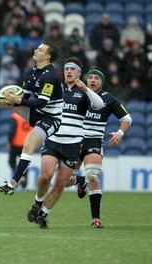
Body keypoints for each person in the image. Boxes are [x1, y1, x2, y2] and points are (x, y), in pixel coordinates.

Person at [0, 42, 64, 196]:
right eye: (37, 48)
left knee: (29, 143)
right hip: (37, 112)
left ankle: (14, 182)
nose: (36, 50)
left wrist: (19, 102)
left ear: (48, 56)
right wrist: (13, 101)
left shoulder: (50, 76)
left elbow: (42, 102)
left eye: (40, 50)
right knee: (5, 98)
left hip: (51, 118)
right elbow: (25, 97)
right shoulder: (30, 72)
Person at [26, 60, 105, 229]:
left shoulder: (84, 92)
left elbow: (99, 105)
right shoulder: (55, 87)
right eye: (66, 69)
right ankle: (37, 202)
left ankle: (44, 214)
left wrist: (86, 88)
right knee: (46, 176)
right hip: (53, 139)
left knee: (61, 182)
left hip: (73, 144)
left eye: (72, 70)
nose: (69, 72)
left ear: (78, 73)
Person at [64, 69, 132, 229]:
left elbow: (127, 118)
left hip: (93, 142)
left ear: (101, 82)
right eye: (90, 78)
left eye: (96, 78)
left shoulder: (108, 99)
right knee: (65, 181)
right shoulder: (75, 95)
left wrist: (120, 133)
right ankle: (80, 182)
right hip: (73, 140)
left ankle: (96, 219)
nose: (93, 80)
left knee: (93, 177)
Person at [6, 112, 33, 190]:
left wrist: (9, 142)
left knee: (11, 161)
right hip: (27, 144)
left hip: (16, 143)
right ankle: (24, 182)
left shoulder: (15, 116)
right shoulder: (30, 116)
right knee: (25, 162)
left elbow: (12, 130)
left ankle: (18, 177)